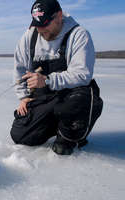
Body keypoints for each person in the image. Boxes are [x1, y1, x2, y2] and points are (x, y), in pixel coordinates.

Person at [10, 0, 103, 155]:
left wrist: (47, 80)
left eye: (45, 24)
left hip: (71, 95)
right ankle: (56, 123)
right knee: (20, 135)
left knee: (80, 99)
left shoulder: (78, 35)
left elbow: (82, 74)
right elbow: (19, 68)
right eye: (37, 24)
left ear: (59, 16)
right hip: (45, 97)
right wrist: (24, 96)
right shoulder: (30, 36)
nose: (41, 30)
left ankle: (69, 135)